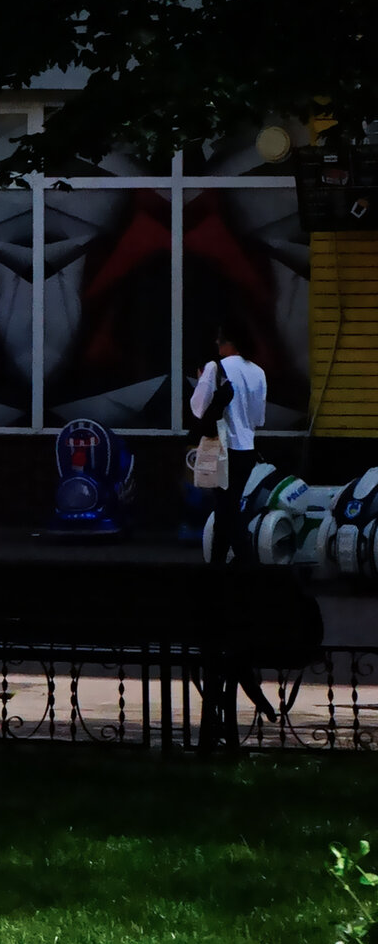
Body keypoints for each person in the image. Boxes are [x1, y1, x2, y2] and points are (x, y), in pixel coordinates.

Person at [189, 321, 272, 750]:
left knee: (225, 508)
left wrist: (205, 384)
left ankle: (243, 560)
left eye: (218, 340)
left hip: (221, 446)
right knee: (228, 504)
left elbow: (197, 408)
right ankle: (221, 562)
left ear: (225, 342)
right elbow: (258, 418)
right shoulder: (258, 372)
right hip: (246, 449)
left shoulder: (215, 368)